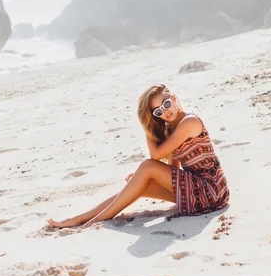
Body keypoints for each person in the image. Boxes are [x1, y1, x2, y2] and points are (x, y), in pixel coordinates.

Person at [47, 83, 229, 229]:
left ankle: (91, 223)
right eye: (158, 112)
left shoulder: (189, 122)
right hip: (198, 190)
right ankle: (80, 218)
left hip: (210, 190)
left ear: (174, 99)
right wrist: (143, 181)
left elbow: (155, 156)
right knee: (135, 187)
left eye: (166, 104)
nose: (165, 111)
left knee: (147, 166)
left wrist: (147, 127)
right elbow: (174, 170)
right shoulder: (171, 129)